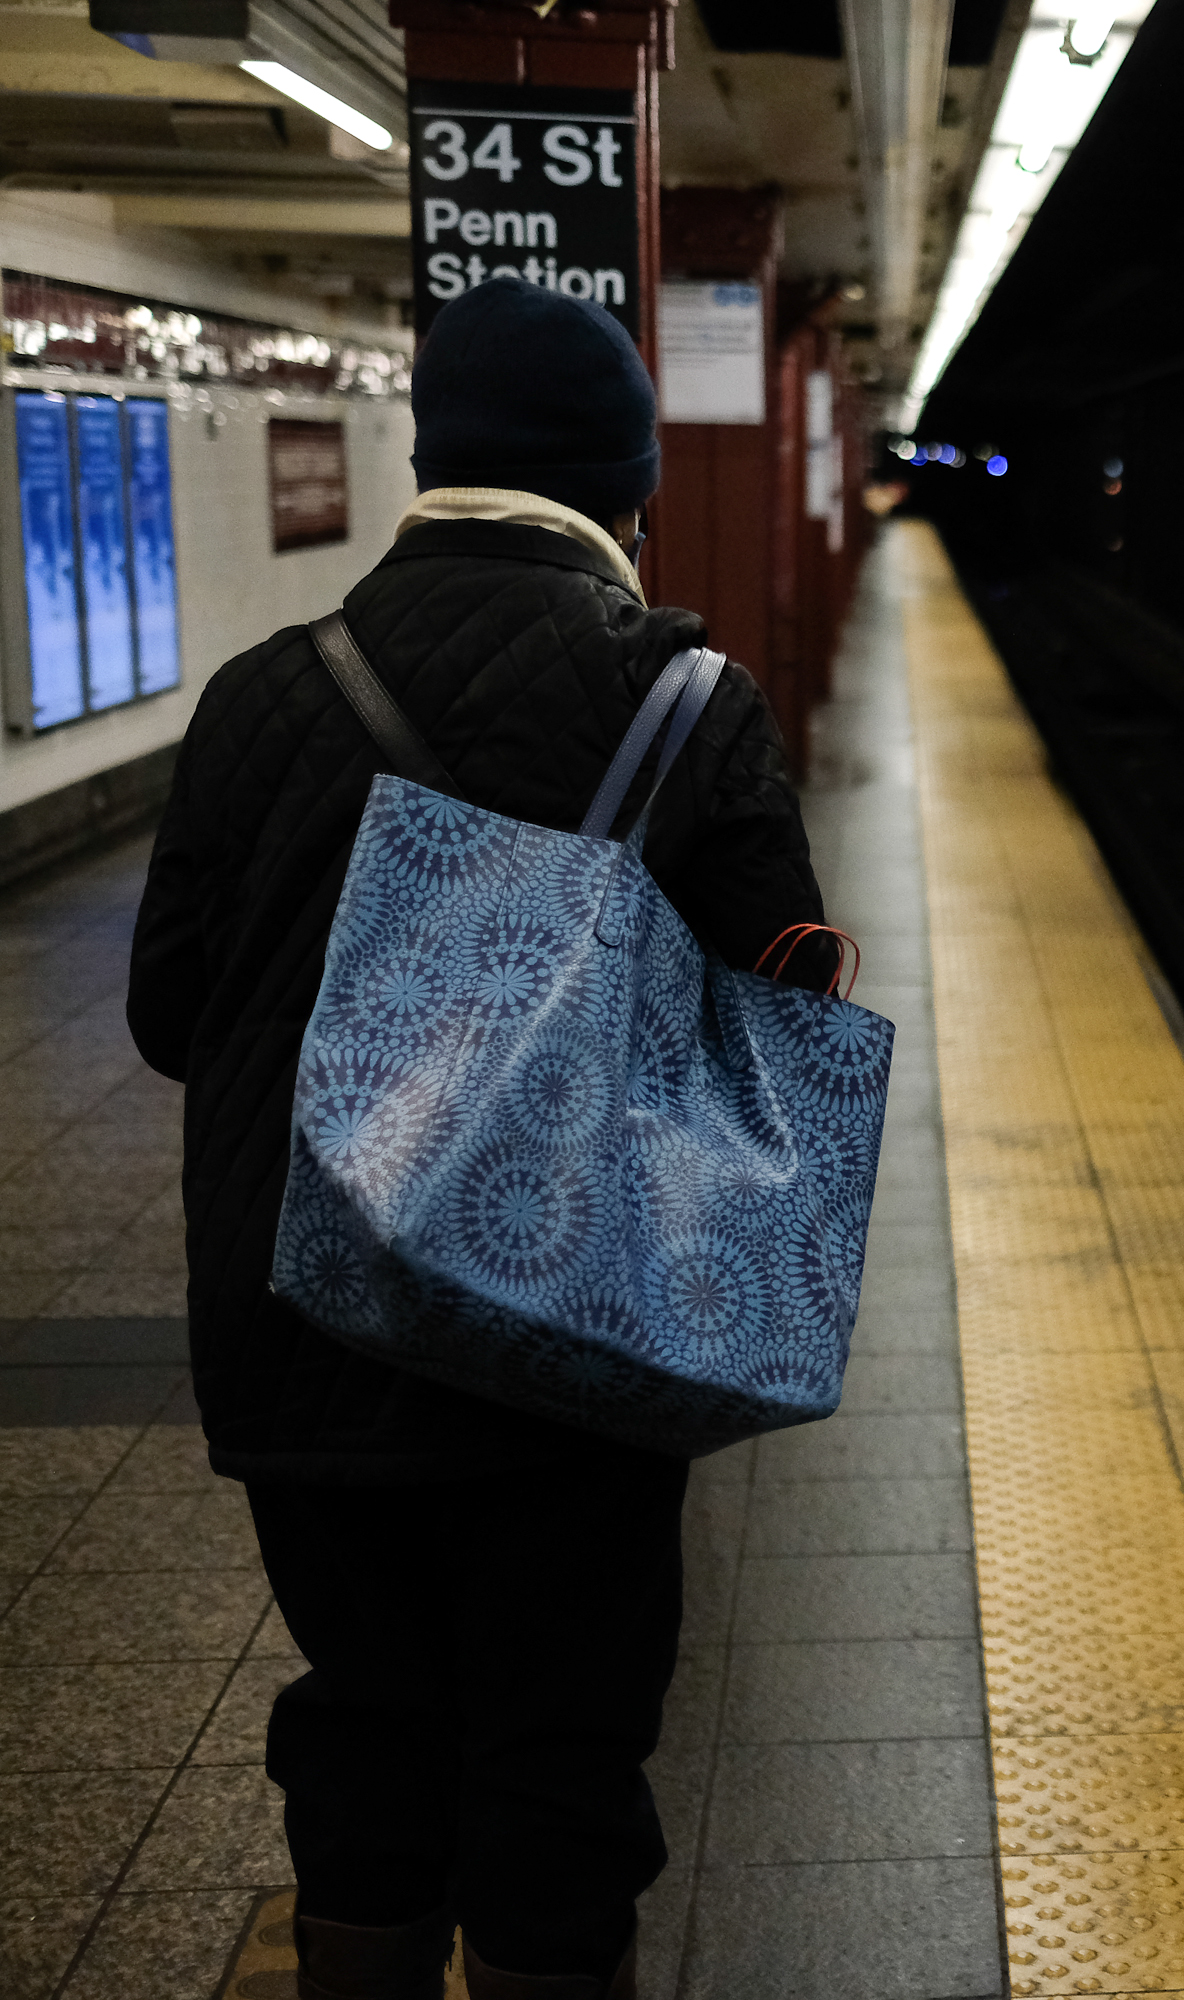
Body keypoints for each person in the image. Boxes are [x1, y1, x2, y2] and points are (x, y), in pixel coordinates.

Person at [128, 274, 829, 2000]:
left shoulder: (256, 696)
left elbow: (167, 1018)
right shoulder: (689, 703)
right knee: (563, 1743)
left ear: (432, 466)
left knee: (369, 1718)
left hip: (307, 1321)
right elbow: (780, 1019)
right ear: (625, 490)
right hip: (576, 1341)